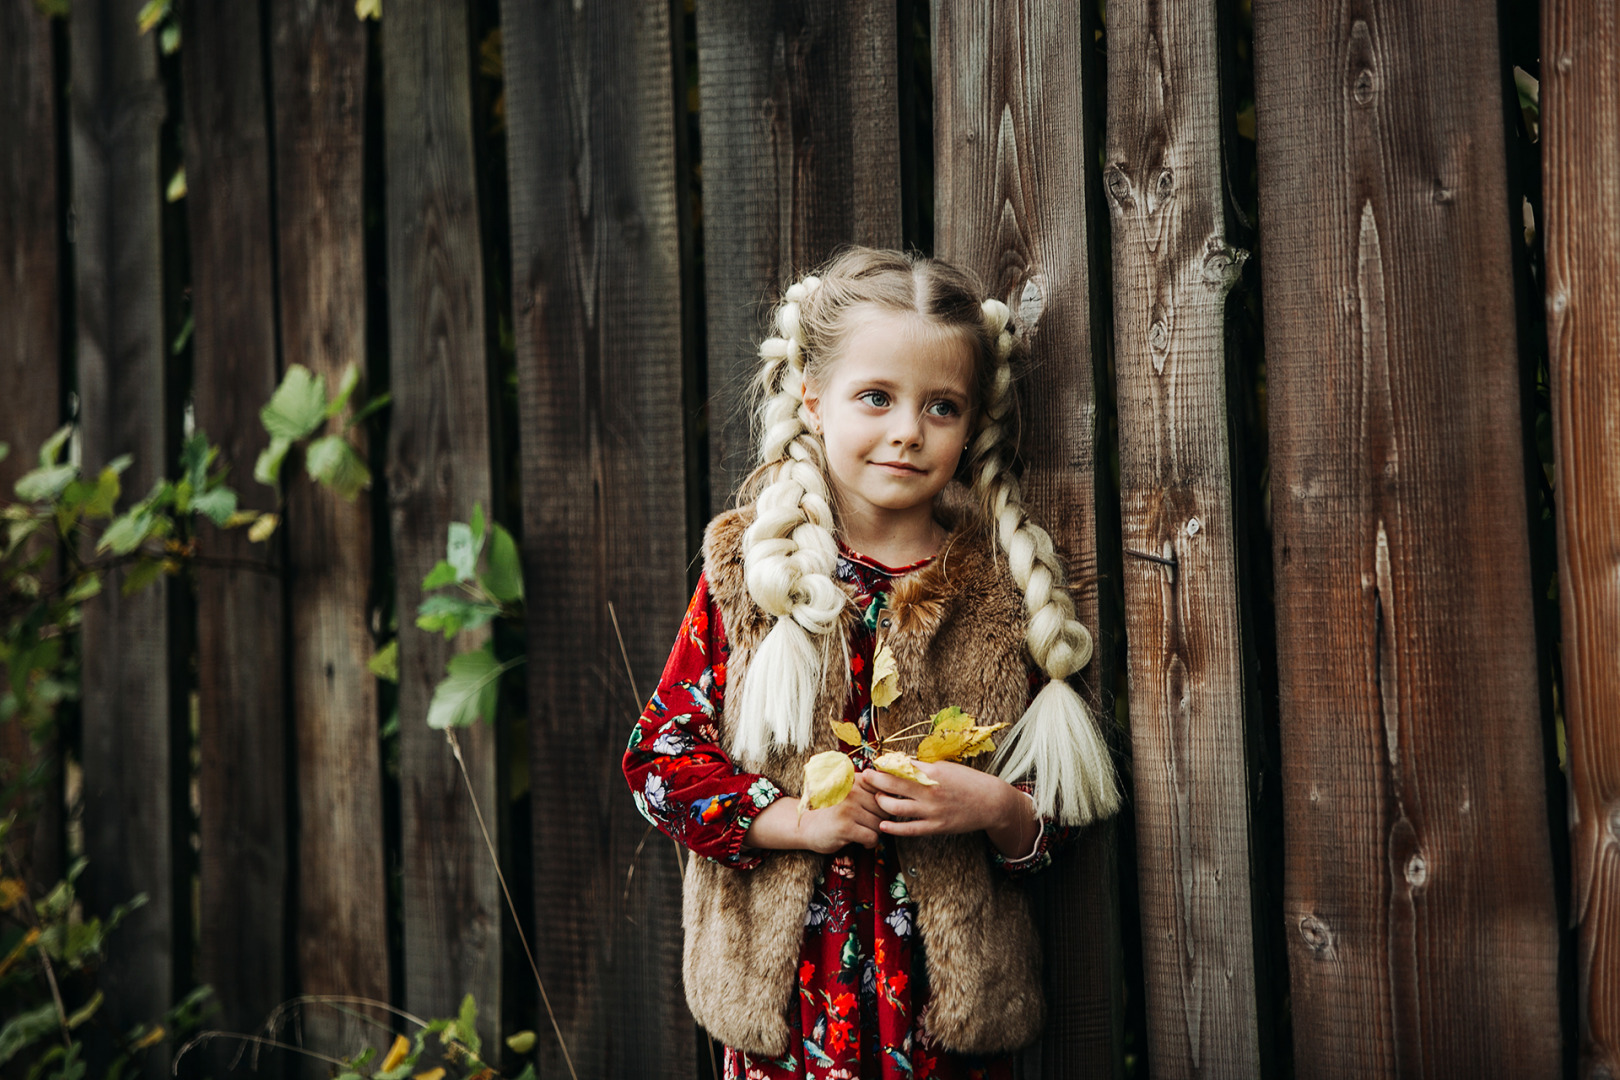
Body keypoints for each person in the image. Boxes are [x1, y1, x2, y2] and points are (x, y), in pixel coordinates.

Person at [623, 248, 1119, 1079]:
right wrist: (796, 822)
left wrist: (996, 808)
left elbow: (1061, 817)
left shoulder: (1002, 594)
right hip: (787, 1016)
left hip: (945, 1026)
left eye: (942, 407)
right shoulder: (757, 572)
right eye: (877, 397)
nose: (907, 431)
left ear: (972, 425)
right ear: (814, 399)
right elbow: (660, 763)